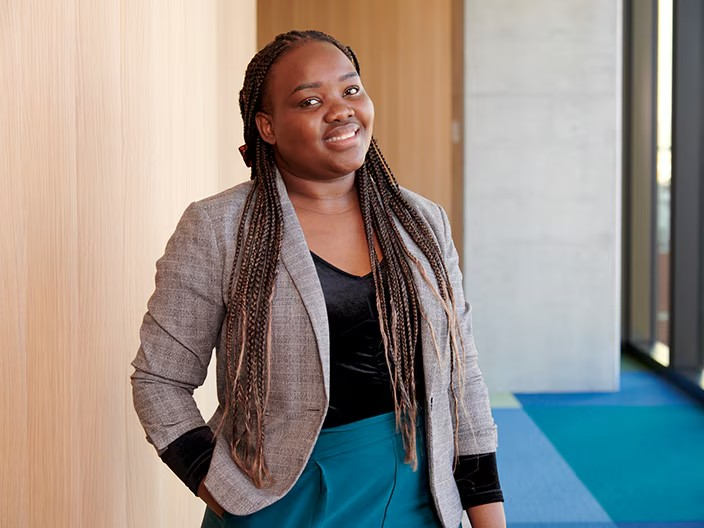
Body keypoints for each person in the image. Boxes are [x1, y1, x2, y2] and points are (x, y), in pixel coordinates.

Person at [131, 30, 505, 528]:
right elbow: (160, 381)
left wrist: (487, 517)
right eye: (310, 100)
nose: (340, 109)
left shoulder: (421, 222)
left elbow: (464, 379)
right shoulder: (219, 228)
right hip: (285, 502)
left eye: (351, 91)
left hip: (421, 496)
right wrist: (226, 495)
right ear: (267, 127)